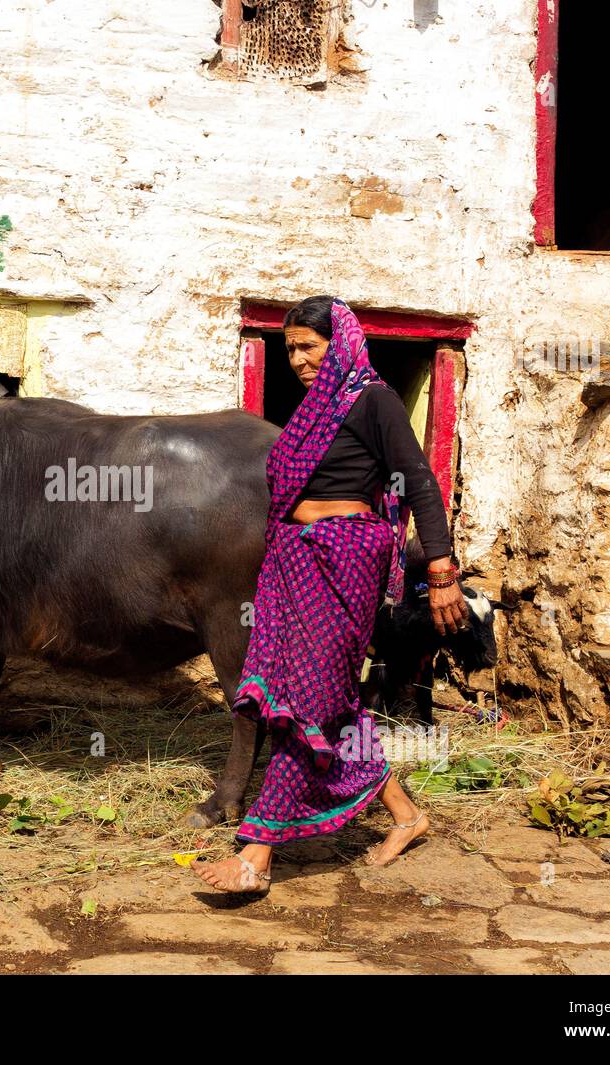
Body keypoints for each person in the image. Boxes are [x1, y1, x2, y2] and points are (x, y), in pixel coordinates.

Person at [193, 297, 466, 895]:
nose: (295, 359)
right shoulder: (311, 410)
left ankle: (257, 852)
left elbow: (417, 479)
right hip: (294, 560)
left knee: (307, 700)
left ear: (337, 341)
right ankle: (407, 815)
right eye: (288, 348)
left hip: (345, 556)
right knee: (323, 700)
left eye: (307, 346)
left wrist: (441, 568)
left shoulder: (372, 398)